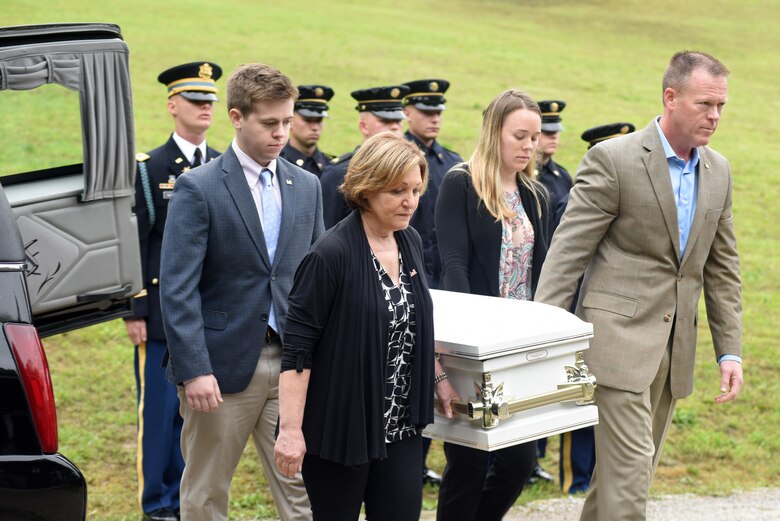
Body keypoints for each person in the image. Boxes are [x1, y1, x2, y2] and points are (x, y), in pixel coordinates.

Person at [535, 51, 743, 521]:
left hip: (673, 354)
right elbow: (568, 252)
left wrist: (729, 352)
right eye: (705, 104)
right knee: (629, 491)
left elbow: (722, 268)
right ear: (671, 98)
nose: (714, 116)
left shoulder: (720, 170)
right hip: (615, 344)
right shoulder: (614, 158)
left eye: (721, 107)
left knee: (620, 481)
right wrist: (544, 338)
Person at [160, 63, 323, 521]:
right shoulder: (199, 187)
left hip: (292, 364)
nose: (281, 134)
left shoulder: (306, 186)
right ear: (236, 116)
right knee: (206, 493)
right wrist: (194, 370)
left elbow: (316, 280)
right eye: (270, 123)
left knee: (306, 490)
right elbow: (177, 287)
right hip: (221, 368)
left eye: (287, 122)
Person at [274, 132, 460, 521]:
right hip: (343, 424)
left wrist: (438, 375)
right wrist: (290, 431)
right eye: (397, 191)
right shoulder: (330, 254)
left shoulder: (407, 240)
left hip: (400, 427)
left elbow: (412, 323)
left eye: (415, 189)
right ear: (366, 190)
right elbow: (298, 350)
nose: (411, 201)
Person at [434, 89, 550, 521]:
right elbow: (453, 265)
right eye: (519, 135)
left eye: (534, 138)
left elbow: (541, 275)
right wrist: (463, 343)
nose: (528, 146)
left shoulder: (535, 195)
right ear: (494, 132)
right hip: (474, 342)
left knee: (518, 463)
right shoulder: (461, 183)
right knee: (466, 463)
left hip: (520, 347)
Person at [125, 61, 222, 521]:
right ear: (172, 105)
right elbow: (137, 240)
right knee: (160, 416)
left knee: (199, 415)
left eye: (210, 101)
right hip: (162, 313)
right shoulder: (150, 168)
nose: (205, 107)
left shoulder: (224, 165)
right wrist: (136, 308)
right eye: (196, 100)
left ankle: (188, 497)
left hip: (210, 316)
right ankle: (157, 502)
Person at [554, 121, 636, 496]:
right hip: (580, 309)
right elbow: (568, 259)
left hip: (626, 318)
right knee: (581, 400)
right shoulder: (574, 198)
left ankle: (602, 481)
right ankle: (575, 479)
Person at [401, 78, 463, 487]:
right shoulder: (400, 157)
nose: (434, 118)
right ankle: (411, 460)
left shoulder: (451, 162)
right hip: (409, 275)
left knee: (446, 374)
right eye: (425, 111)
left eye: (439, 111)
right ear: (408, 113)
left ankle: (430, 456)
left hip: (443, 280)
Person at [530, 99, 571, 484]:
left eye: (558, 131)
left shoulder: (561, 177)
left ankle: (534, 457)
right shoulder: (530, 178)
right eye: (547, 131)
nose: (553, 138)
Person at [320, 84, 409, 228]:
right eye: (385, 121)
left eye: (398, 121)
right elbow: (325, 233)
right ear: (364, 127)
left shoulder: (408, 171)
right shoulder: (339, 173)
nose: (394, 127)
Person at [280, 84, 334, 176]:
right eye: (308, 120)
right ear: (290, 121)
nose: (315, 127)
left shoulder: (331, 166)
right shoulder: (276, 163)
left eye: (319, 120)